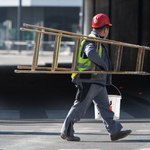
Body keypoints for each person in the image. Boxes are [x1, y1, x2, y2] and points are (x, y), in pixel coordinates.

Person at [60, 13, 132, 141]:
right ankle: (66, 131)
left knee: (105, 108)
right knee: (80, 108)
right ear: (105, 29)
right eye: (108, 29)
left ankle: (114, 131)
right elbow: (90, 53)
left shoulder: (96, 39)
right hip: (89, 80)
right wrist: (103, 65)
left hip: (98, 81)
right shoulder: (92, 39)